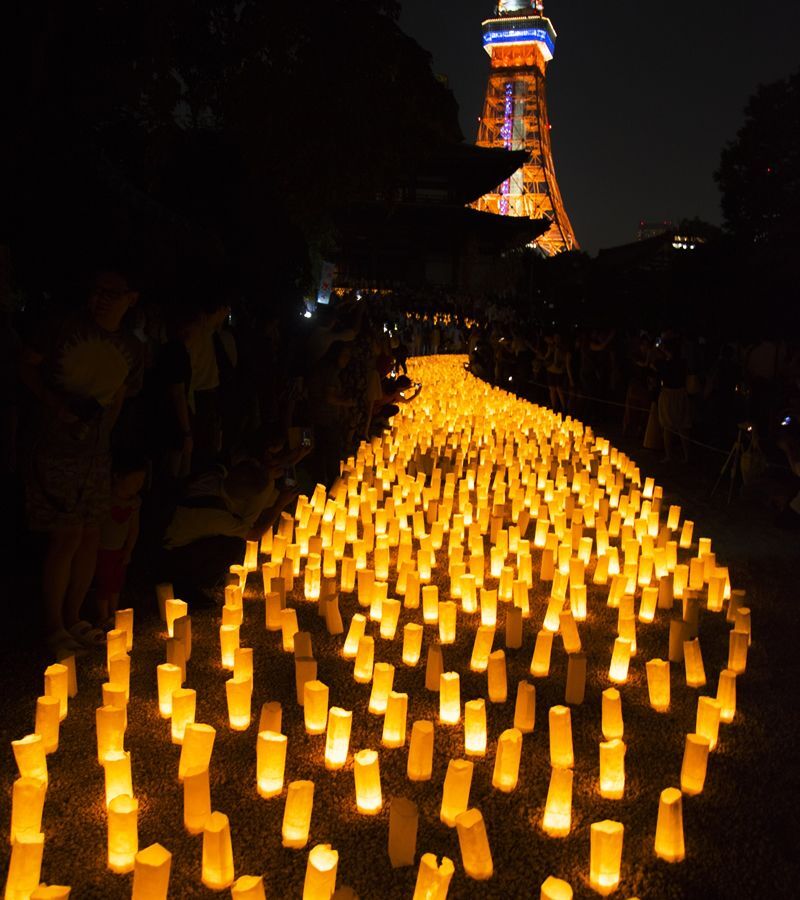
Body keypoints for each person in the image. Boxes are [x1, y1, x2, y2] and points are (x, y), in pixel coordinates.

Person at [18, 269, 141, 654]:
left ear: (131, 298)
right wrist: (56, 405)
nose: (101, 299)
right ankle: (53, 624)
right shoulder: (62, 328)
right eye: (97, 291)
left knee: (90, 534)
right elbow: (25, 366)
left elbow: (119, 395)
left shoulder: (131, 347)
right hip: (54, 448)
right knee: (66, 535)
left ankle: (74, 617)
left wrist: (102, 435)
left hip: (95, 454)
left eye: (112, 292)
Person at [161, 458, 295, 606]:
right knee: (234, 544)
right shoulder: (217, 516)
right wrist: (280, 505)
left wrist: (268, 479)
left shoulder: (214, 476)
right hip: (170, 555)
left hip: (170, 537)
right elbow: (254, 534)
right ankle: (187, 585)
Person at [94, 452, 147, 627]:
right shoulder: (105, 500)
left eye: (141, 481)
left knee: (116, 582)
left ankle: (114, 612)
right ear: (117, 476)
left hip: (120, 550)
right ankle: (103, 616)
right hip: (102, 549)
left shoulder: (134, 503)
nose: (138, 485)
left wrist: (128, 550)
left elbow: (133, 528)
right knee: (104, 582)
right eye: (135, 480)